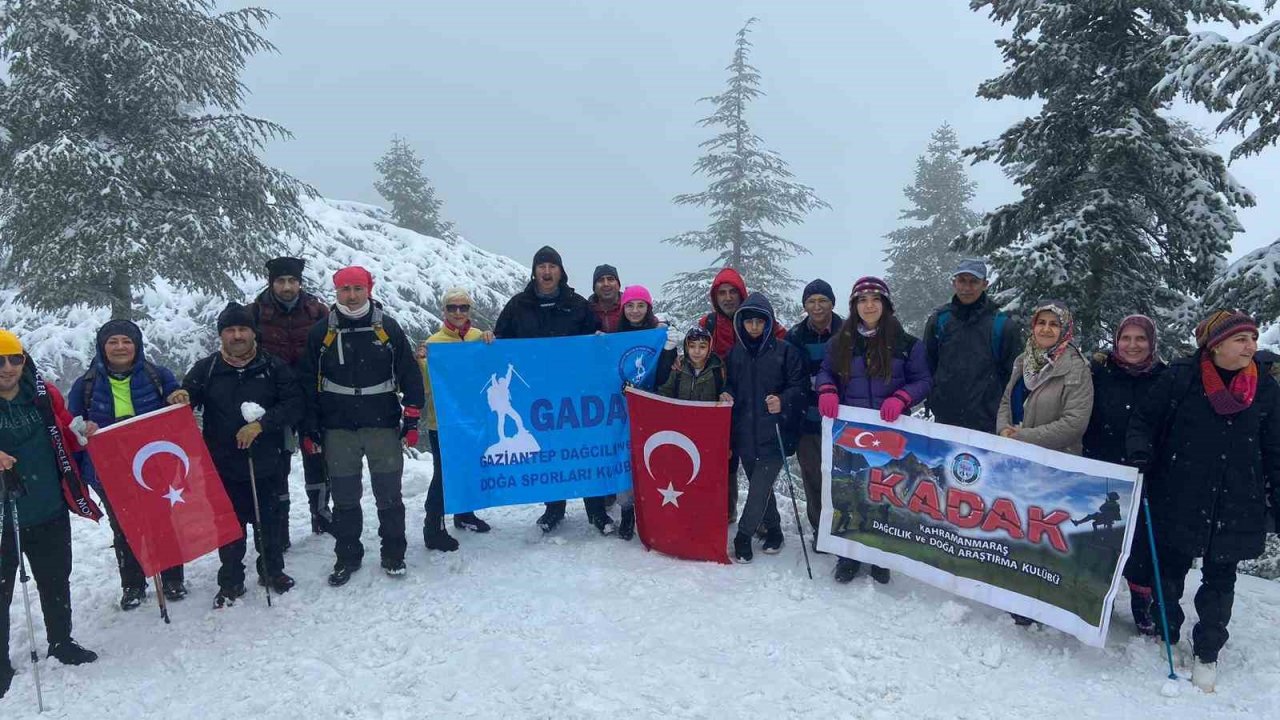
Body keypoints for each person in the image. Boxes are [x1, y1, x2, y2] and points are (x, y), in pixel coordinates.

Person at [1126, 310, 1280, 693]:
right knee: (1171, 569)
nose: (1251, 347)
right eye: (1241, 339)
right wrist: (1140, 451)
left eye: (1253, 339)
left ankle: (1208, 649)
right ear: (1216, 345)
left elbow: (1275, 448)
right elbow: (1144, 421)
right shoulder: (1181, 377)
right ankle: (1168, 630)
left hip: (1237, 498)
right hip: (1179, 491)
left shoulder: (1265, 388)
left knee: (1220, 578)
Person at [299, 267, 425, 586]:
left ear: (369, 288)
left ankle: (393, 553)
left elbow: (410, 373)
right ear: (336, 292)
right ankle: (347, 556)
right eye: (345, 289)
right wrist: (310, 428)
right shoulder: (320, 333)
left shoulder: (387, 328)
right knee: (344, 497)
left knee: (389, 495)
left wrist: (411, 419)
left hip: (381, 423)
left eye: (357, 288)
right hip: (337, 427)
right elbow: (306, 385)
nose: (352, 296)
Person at [1, 330, 102, 698]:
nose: (8, 368)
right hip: (3, 515)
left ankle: (61, 641)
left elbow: (65, 425)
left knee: (56, 577)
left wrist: (81, 430)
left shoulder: (43, 393)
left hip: (47, 505)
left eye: (15, 359)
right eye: (0, 360)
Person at [181, 304, 304, 606]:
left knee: (269, 521)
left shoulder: (272, 367)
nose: (237, 336)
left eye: (243, 329)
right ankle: (231, 580)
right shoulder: (207, 368)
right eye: (230, 330)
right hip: (222, 463)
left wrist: (262, 425)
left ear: (253, 333)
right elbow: (185, 402)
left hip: (267, 460)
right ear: (221, 335)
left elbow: (294, 404)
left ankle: (272, 571)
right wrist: (180, 396)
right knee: (228, 525)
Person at [816, 277, 931, 584]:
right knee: (850, 492)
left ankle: (881, 555)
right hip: (851, 433)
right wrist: (827, 389)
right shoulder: (840, 342)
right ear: (854, 306)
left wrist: (901, 398)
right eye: (862, 300)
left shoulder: (906, 344)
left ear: (886, 305)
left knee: (883, 493)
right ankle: (848, 555)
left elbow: (922, 380)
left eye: (875, 299)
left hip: (890, 431)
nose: (869, 305)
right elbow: (825, 371)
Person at [68, 319, 188, 610]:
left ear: (137, 346)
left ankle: (172, 578)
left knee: (162, 521)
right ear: (102, 347)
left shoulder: (157, 375)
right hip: (108, 470)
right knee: (124, 526)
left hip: (153, 465)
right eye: (113, 342)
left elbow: (177, 399)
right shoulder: (85, 385)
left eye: (126, 341)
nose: (120, 347)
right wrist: (83, 428)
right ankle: (133, 584)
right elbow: (71, 425)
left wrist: (177, 396)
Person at [494, 246, 609, 534]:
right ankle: (554, 508)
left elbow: (596, 344)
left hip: (575, 393)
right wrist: (489, 340)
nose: (547, 271)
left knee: (582, 449)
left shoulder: (578, 304)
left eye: (552, 266)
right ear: (534, 271)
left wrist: (598, 339)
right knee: (546, 450)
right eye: (541, 266)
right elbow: (500, 340)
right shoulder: (518, 305)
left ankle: (595, 511)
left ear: (561, 271)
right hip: (535, 394)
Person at [997, 300, 1093, 627]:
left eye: (1054, 323)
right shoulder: (1023, 361)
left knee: (1049, 534)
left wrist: (1023, 436)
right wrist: (1003, 432)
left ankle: (1048, 599)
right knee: (1019, 527)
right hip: (1019, 462)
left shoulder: (1074, 367)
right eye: (1042, 323)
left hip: (1056, 465)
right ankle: (1020, 593)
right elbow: (1005, 402)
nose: (1047, 329)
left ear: (1065, 329)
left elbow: (1074, 423)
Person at [1080, 314, 1166, 635]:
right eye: (1126, 338)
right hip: (1101, 465)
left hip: (1145, 470)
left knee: (1140, 541)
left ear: (1151, 342)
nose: (1132, 345)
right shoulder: (1102, 372)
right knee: (1101, 537)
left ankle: (1141, 602)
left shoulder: (1163, 377)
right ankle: (1101, 596)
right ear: (1117, 341)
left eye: (1140, 339)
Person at [717, 293, 807, 564]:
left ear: (768, 323)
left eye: (760, 322)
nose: (754, 327)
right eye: (749, 322)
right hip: (745, 433)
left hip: (775, 433)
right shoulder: (735, 354)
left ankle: (743, 535)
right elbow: (730, 384)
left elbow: (800, 387)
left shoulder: (785, 351)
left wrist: (783, 400)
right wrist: (726, 393)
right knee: (761, 487)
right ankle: (775, 531)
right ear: (741, 324)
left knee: (759, 487)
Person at [247, 256, 331, 544]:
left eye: (292, 281)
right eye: (281, 281)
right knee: (277, 461)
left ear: (300, 283)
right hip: (274, 398)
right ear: (271, 282)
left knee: (317, 454)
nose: (287, 286)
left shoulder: (317, 310)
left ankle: (321, 514)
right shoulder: (255, 312)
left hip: (311, 393)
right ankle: (278, 525)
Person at [696, 267, 787, 522]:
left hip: (755, 406)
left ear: (741, 293)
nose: (727, 298)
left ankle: (765, 522)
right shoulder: (708, 324)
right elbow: (694, 351)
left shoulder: (762, 322)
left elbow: (784, 354)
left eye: (732, 292)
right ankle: (725, 512)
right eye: (721, 293)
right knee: (721, 459)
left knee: (754, 464)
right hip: (718, 400)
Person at [418, 288, 495, 552]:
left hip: (475, 420)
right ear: (444, 311)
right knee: (443, 475)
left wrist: (492, 344)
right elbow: (428, 388)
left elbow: (490, 372)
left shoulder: (478, 337)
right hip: (444, 423)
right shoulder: (434, 343)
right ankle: (433, 527)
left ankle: (464, 514)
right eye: (453, 308)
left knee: (470, 467)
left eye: (464, 307)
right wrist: (425, 363)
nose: (459, 312)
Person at [610, 285, 680, 540]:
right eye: (630, 305)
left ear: (648, 308)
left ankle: (653, 508)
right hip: (622, 410)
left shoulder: (657, 334)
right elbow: (607, 372)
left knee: (653, 458)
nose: (635, 310)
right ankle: (628, 511)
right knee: (624, 459)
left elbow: (662, 377)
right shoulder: (614, 336)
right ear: (623, 308)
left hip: (653, 406)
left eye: (640, 305)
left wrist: (669, 350)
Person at [923, 259, 1021, 433]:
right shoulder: (939, 321)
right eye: (962, 281)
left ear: (985, 284)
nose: (966, 288)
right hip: (945, 419)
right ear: (954, 283)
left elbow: (1012, 378)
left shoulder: (1003, 326)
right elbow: (927, 366)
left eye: (973, 281)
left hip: (988, 422)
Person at [785, 279, 843, 544]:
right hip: (807, 420)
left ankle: (844, 531)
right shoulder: (795, 336)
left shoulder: (847, 331)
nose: (817, 306)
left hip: (843, 420)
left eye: (823, 300)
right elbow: (788, 375)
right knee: (813, 476)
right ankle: (821, 531)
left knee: (842, 478)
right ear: (804, 306)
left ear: (833, 302)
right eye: (811, 301)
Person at [587, 264, 623, 334]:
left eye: (610, 279)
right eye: (601, 280)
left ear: (618, 285)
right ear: (594, 287)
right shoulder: (585, 311)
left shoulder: (630, 308)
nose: (606, 284)